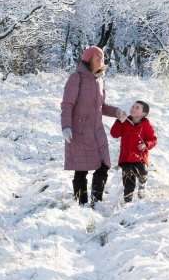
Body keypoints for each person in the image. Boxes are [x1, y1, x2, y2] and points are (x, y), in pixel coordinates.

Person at [61, 46, 127, 206]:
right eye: (97, 57)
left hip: (97, 131)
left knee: (104, 165)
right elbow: (67, 105)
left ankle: (96, 201)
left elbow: (101, 106)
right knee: (81, 169)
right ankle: (80, 203)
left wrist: (117, 112)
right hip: (79, 131)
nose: (101, 60)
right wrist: (66, 127)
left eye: (102, 57)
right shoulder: (76, 78)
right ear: (89, 59)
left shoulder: (100, 79)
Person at [110, 100, 157, 203]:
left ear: (143, 113)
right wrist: (119, 121)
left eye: (137, 107)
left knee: (142, 172)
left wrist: (146, 144)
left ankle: (142, 185)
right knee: (128, 180)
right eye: (132, 106)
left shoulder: (146, 125)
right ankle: (128, 200)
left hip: (140, 157)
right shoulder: (124, 122)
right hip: (126, 158)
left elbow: (153, 139)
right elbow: (114, 134)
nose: (133, 108)